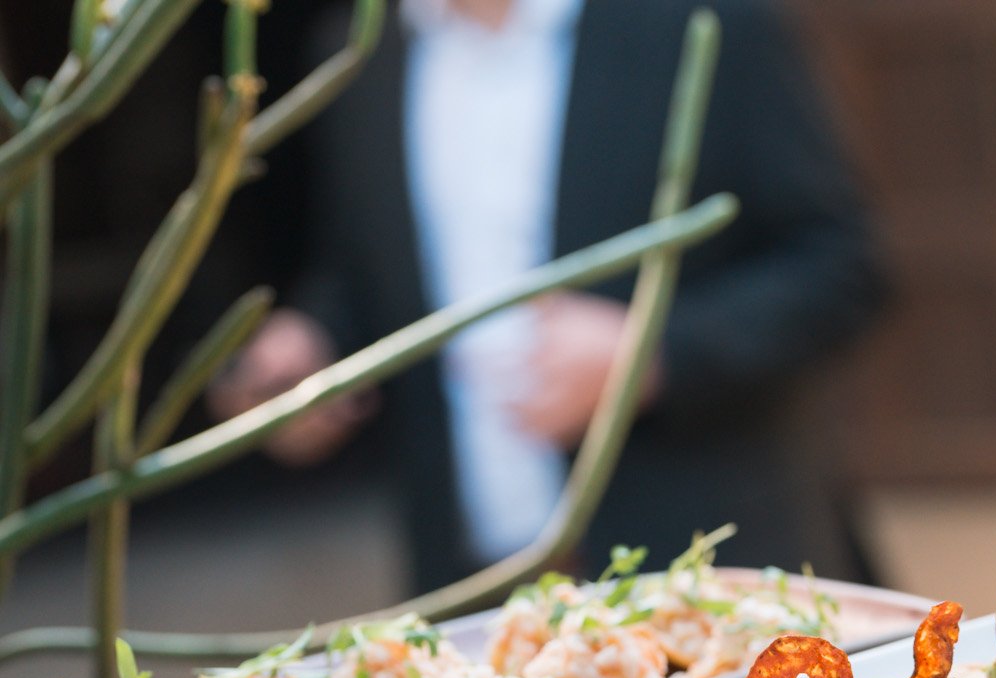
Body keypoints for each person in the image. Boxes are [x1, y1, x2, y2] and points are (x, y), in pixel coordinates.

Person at [210, 0, 886, 591]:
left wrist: (654, 352)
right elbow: (369, 270)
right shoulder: (360, 50)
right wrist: (310, 347)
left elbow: (840, 263)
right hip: (476, 580)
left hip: (701, 563)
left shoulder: (700, 19)